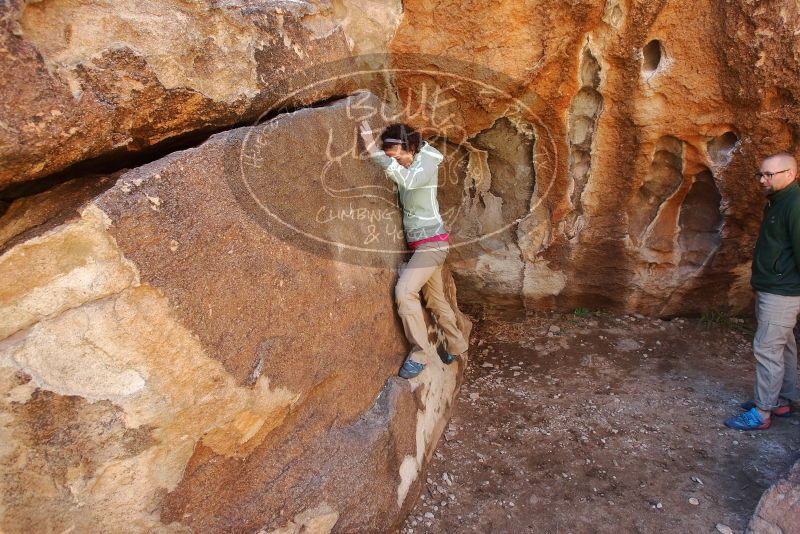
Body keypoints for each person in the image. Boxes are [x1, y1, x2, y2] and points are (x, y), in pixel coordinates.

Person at [359, 121, 469, 379]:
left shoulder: (425, 163)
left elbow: (410, 181)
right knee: (434, 300)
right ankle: (456, 345)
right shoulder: (409, 164)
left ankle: (420, 354)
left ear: (410, 145)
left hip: (432, 244)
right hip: (423, 245)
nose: (390, 154)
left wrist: (373, 149)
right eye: (387, 149)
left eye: (394, 149)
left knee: (405, 291)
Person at [725, 153, 800, 430]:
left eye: (769, 175)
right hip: (776, 288)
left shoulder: (794, 204)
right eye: (761, 174)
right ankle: (780, 399)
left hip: (782, 293)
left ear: (790, 174)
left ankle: (762, 413)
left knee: (767, 349)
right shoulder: (778, 202)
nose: (762, 180)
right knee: (784, 347)